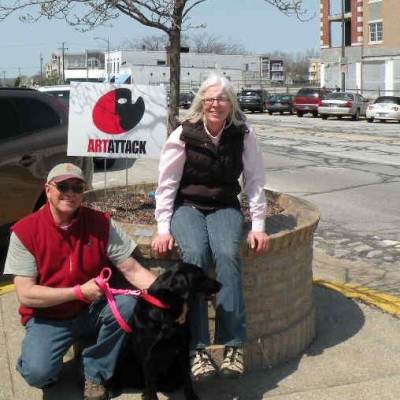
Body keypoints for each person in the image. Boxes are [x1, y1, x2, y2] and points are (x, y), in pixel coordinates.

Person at [4, 163, 156, 400]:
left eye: (77, 187)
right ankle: (49, 357)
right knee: (38, 374)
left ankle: (94, 372)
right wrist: (77, 292)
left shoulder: (100, 223)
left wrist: (169, 298)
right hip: (49, 316)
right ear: (48, 189)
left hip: (92, 309)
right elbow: (26, 294)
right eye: (63, 186)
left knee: (128, 305)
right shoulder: (25, 231)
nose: (70, 193)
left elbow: (132, 270)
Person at [151, 74, 269, 380]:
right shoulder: (183, 134)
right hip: (187, 206)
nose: (216, 104)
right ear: (202, 101)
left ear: (231, 104)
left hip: (224, 206)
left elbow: (255, 181)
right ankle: (197, 348)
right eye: (211, 97)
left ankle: (233, 344)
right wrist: (163, 227)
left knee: (227, 255)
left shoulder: (243, 134)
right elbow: (167, 184)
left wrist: (258, 224)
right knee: (194, 256)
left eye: (222, 98)